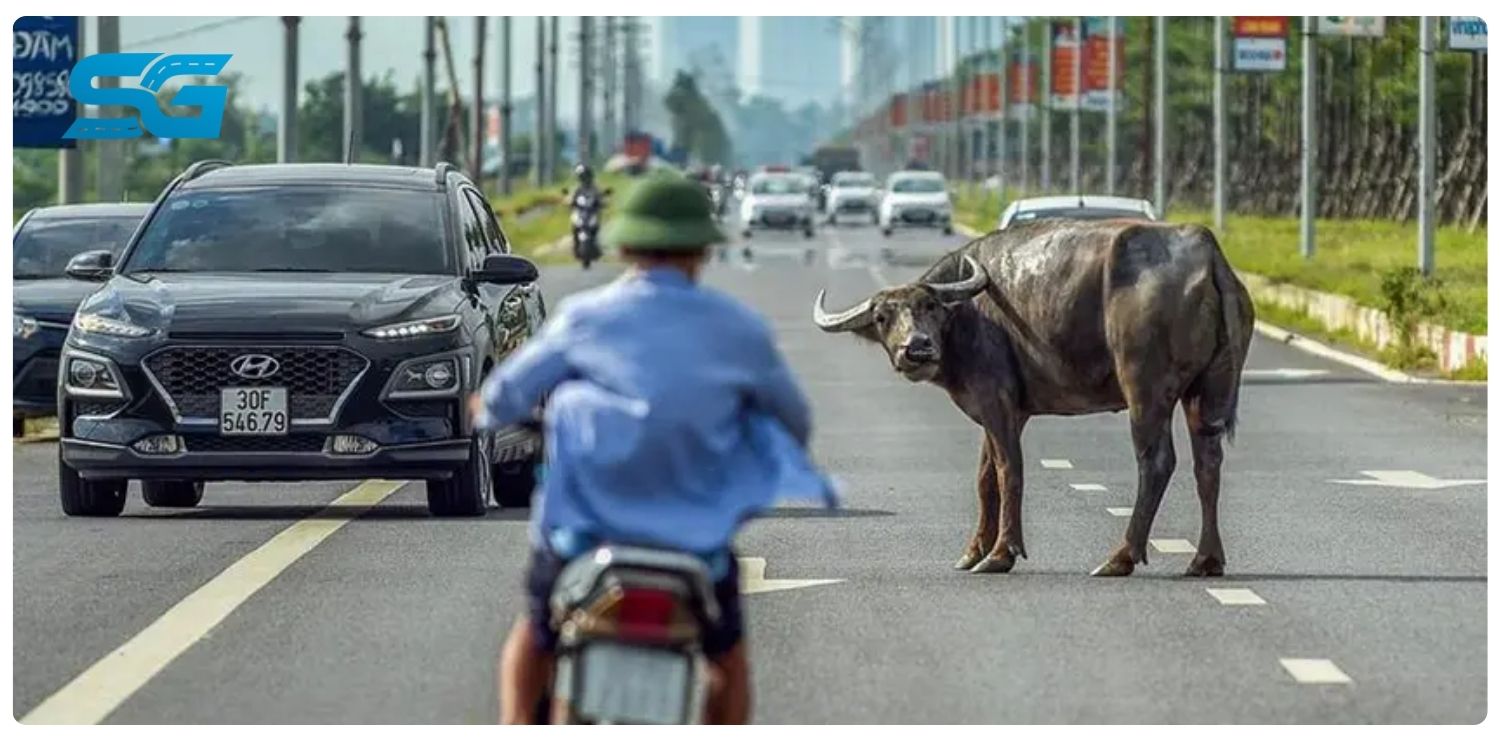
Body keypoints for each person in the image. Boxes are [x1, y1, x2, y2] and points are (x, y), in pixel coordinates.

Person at [471, 173, 835, 724]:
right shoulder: (739, 328)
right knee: (727, 660)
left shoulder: (584, 317)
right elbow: (794, 420)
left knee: (537, 629)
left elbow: (503, 399)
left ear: (621, 246)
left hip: (583, 536)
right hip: (695, 545)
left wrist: (485, 412)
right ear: (704, 250)